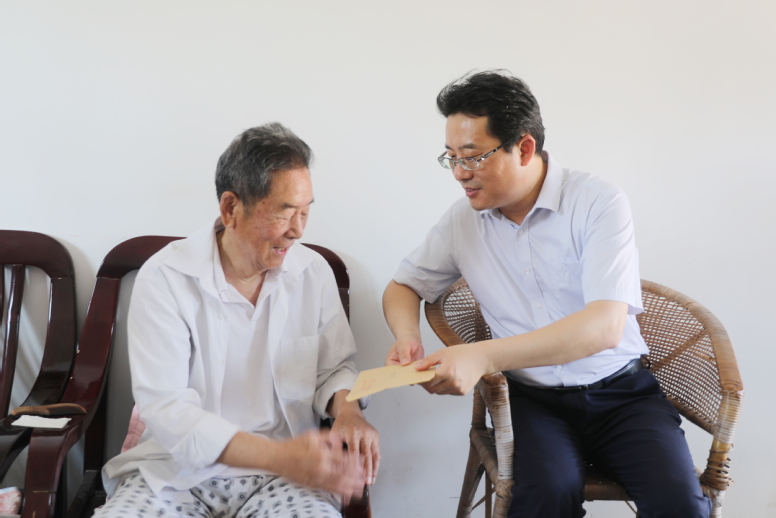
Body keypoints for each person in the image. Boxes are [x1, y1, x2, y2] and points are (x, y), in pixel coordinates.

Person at [383, 71, 710, 518]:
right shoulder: (462, 221)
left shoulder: (598, 203)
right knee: (545, 498)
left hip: (623, 395)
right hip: (532, 402)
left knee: (681, 505)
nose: (459, 173)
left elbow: (604, 328)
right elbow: (403, 285)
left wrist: (481, 356)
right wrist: (406, 337)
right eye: (451, 158)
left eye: (473, 157)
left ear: (524, 147)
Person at [100, 122, 379, 518]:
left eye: (305, 212)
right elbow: (169, 411)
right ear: (231, 208)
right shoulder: (165, 278)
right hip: (175, 472)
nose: (298, 231)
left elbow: (333, 369)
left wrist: (349, 412)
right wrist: (281, 456)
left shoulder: (311, 272)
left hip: (283, 479)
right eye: (285, 213)